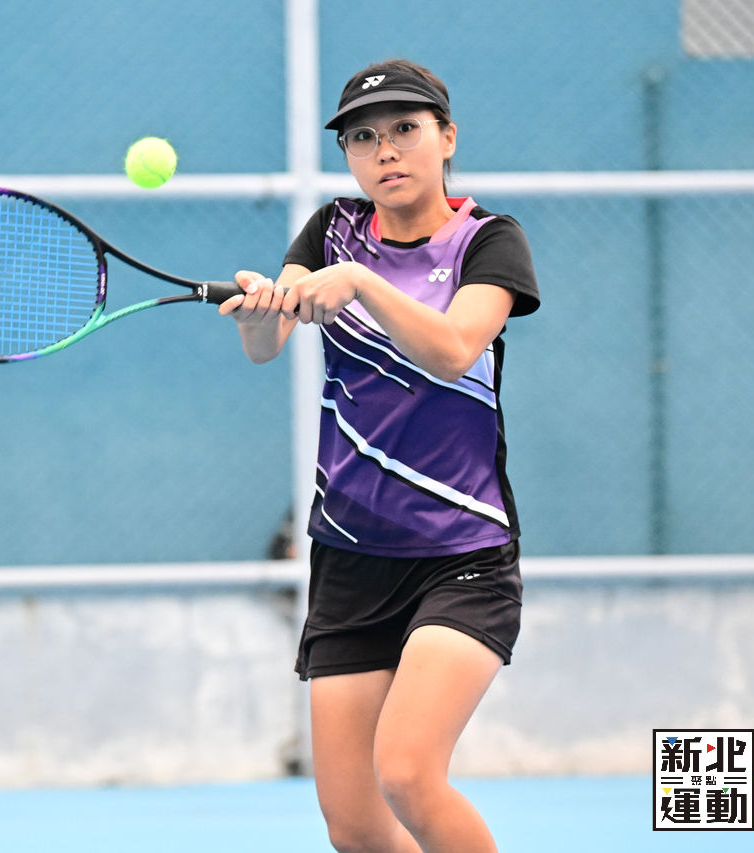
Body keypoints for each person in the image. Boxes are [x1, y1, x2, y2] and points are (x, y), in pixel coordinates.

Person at [220, 59, 539, 853]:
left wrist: (361, 283)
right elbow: (269, 342)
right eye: (363, 138)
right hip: (350, 555)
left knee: (408, 772)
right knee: (356, 827)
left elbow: (456, 349)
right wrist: (261, 312)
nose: (385, 149)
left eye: (404, 129)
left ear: (447, 137)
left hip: (461, 554)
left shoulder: (488, 241)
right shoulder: (331, 229)